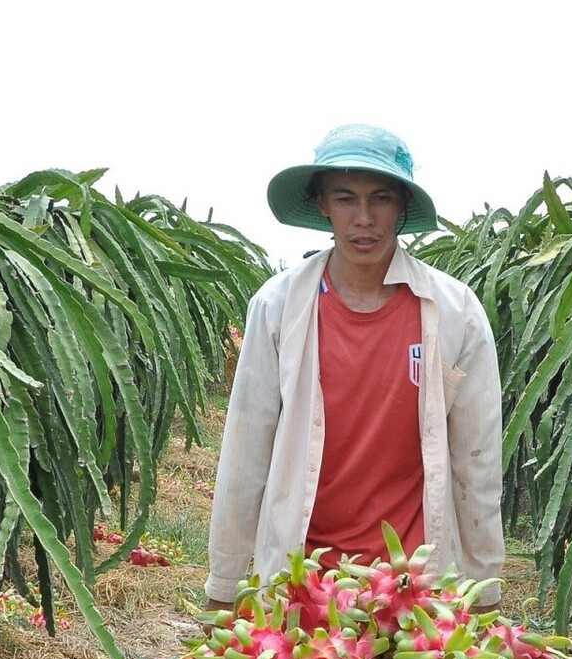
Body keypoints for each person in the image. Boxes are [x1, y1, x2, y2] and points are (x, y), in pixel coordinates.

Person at [204, 123, 504, 613]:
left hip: (413, 589)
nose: (363, 218)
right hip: (302, 584)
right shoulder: (279, 307)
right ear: (321, 203)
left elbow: (477, 459)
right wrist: (225, 583)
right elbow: (246, 450)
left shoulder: (455, 314)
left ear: (402, 206)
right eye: (345, 198)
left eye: (380, 198)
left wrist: (484, 589)